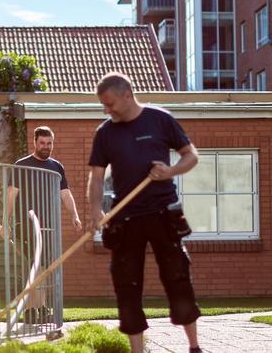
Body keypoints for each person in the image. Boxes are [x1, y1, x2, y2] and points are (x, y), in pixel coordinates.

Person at [85, 72, 203, 353]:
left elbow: (191, 155)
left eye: (110, 103)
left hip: (164, 213)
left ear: (127, 95)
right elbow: (97, 177)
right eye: (103, 104)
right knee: (126, 284)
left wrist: (170, 172)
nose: (107, 109)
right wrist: (94, 212)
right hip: (125, 218)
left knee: (177, 277)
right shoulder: (105, 133)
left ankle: (194, 347)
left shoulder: (159, 119)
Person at [1, 126, 83, 323]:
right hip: (26, 225)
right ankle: (33, 310)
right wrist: (5, 223)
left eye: (49, 143)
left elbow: (65, 194)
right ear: (35, 143)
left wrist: (74, 216)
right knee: (33, 267)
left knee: (44, 268)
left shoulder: (57, 167)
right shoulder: (23, 165)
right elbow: (11, 194)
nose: (46, 147)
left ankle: (40, 308)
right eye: (42, 143)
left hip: (50, 226)